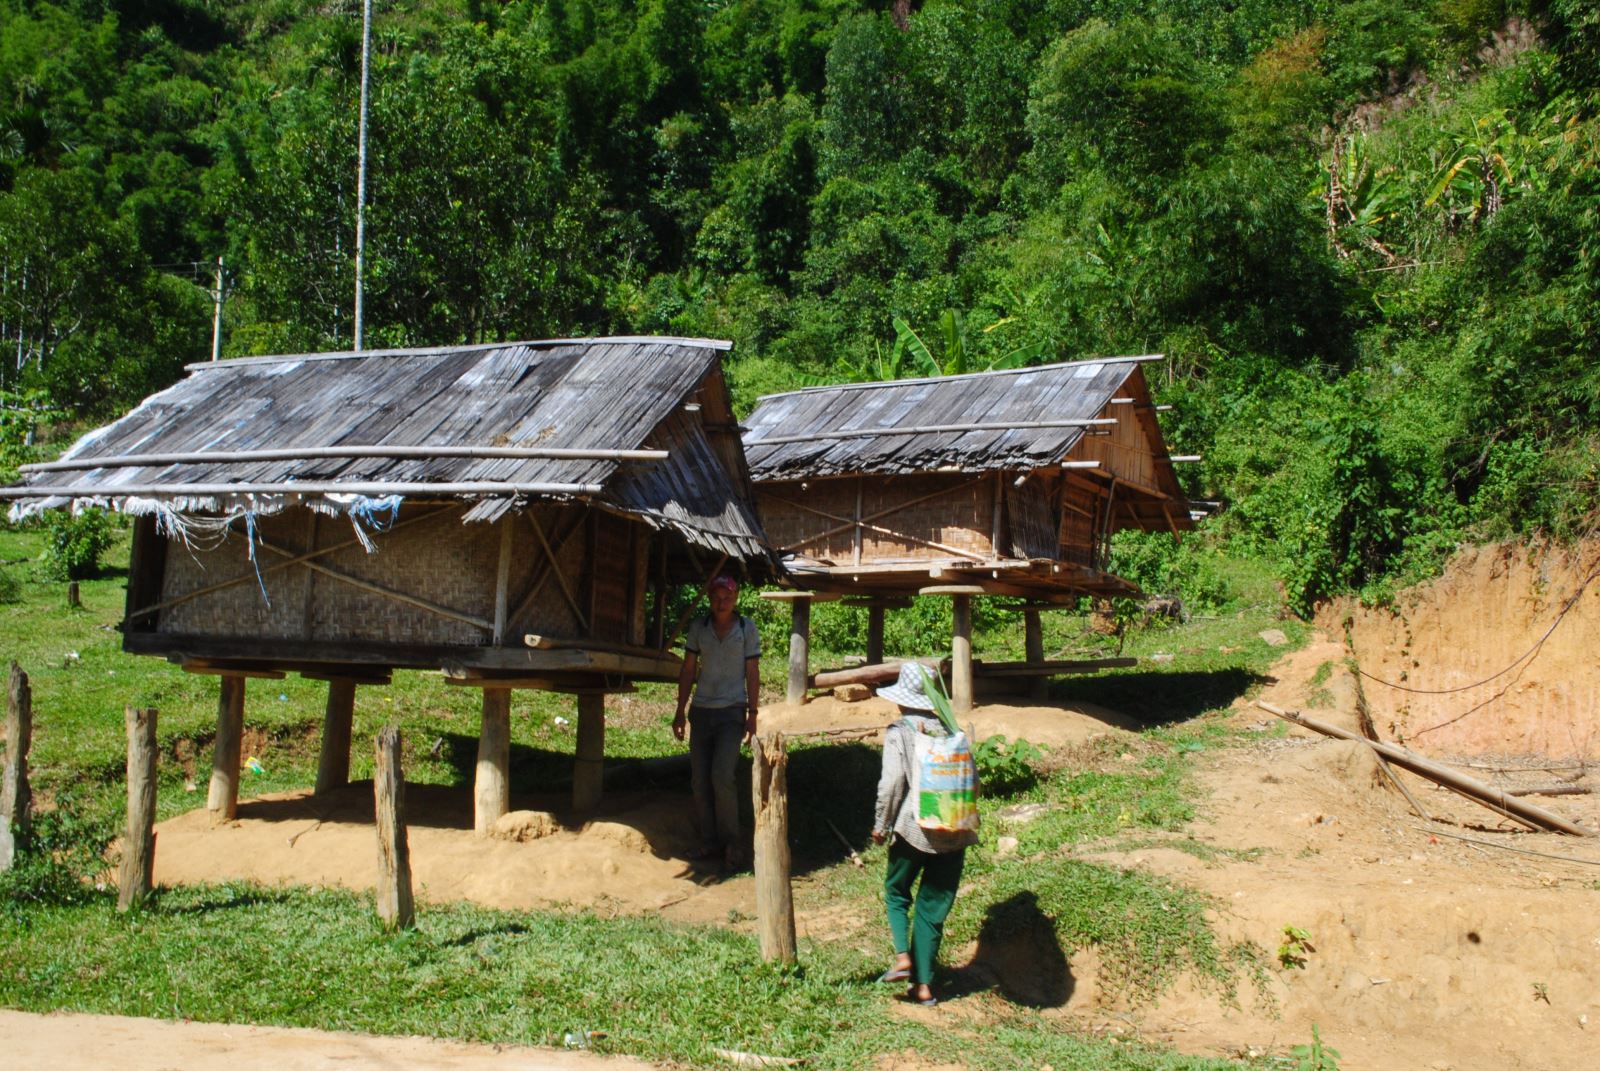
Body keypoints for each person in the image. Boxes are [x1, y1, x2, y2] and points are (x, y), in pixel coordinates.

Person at [871, 662, 979, 1006]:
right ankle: (924, 987)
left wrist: (881, 825)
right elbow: (972, 778)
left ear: (902, 697)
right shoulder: (951, 728)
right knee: (932, 910)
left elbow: (890, 786)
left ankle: (903, 956)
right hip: (956, 829)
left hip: (914, 829)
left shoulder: (901, 730)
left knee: (896, 891)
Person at [673, 573, 761, 867]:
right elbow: (688, 670)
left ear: (735, 599)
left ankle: (732, 842)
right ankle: (709, 842)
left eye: (727, 598)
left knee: (722, 776)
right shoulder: (699, 628)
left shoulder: (746, 629)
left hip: (731, 713)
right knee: (700, 780)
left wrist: (752, 713)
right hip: (701, 711)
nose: (721, 603)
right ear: (710, 599)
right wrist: (680, 711)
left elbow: (752, 672)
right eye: (716, 597)